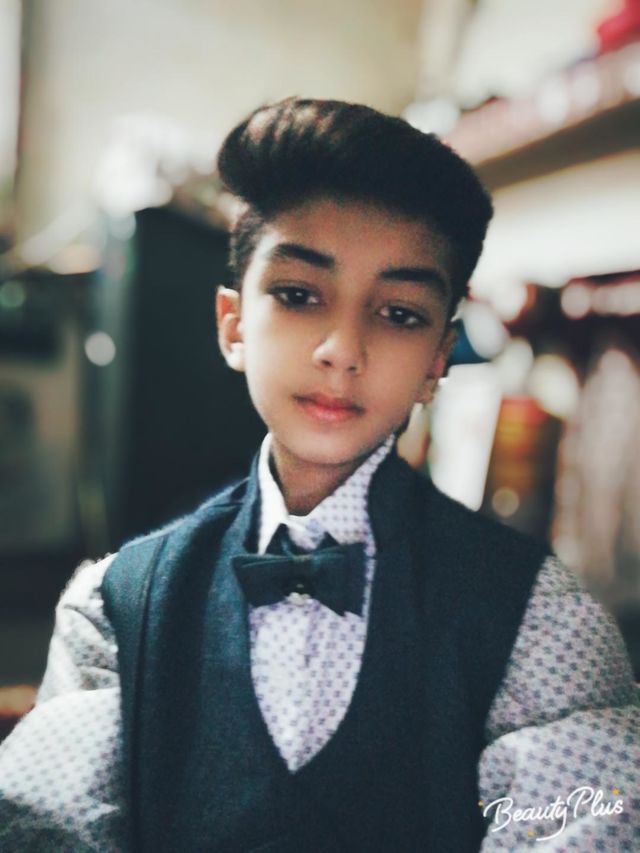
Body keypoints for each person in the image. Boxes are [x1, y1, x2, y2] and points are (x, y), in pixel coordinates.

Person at [0, 97, 638, 852]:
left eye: (399, 313)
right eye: (299, 295)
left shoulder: (540, 617)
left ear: (438, 359)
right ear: (234, 324)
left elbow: (588, 825)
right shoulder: (114, 605)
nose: (342, 348)